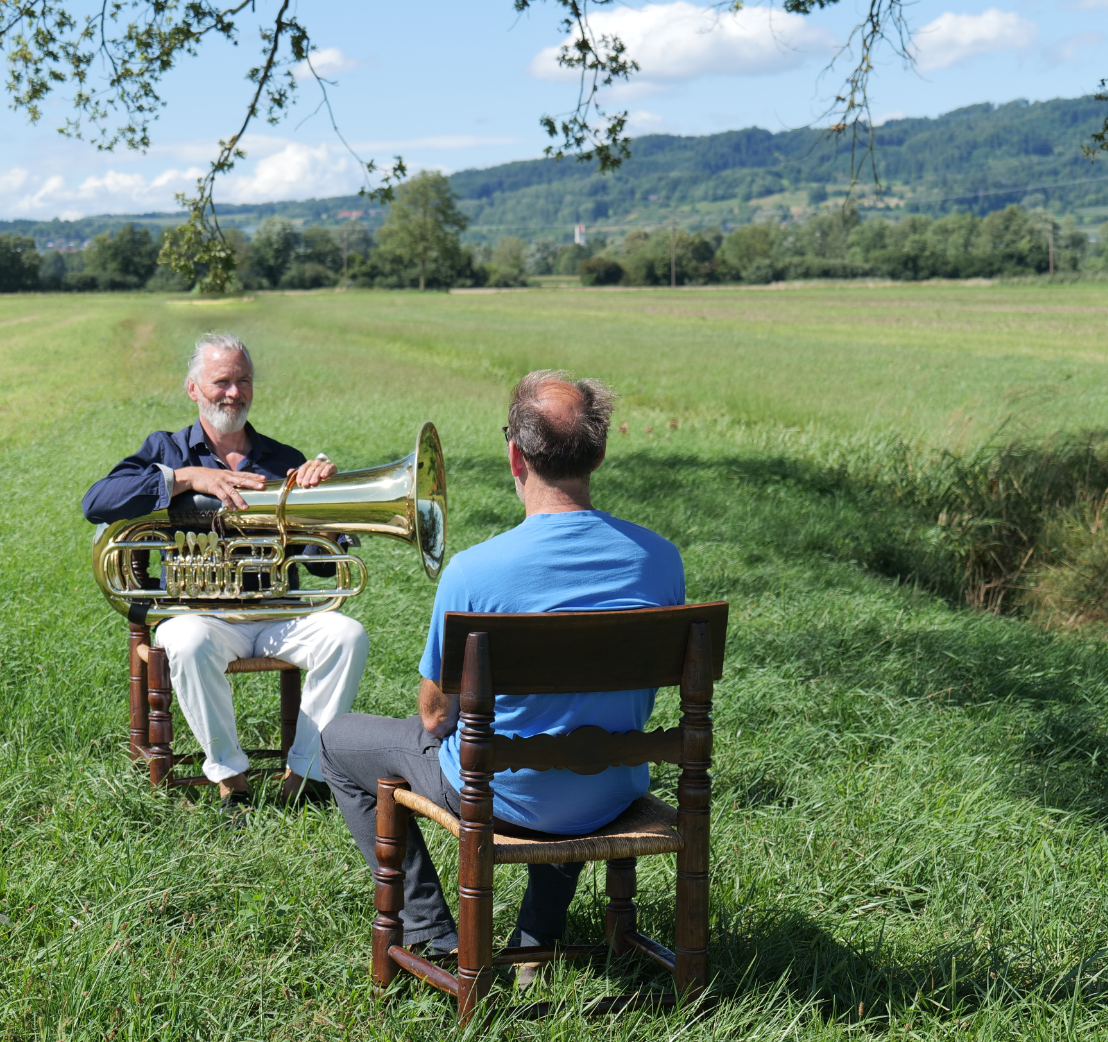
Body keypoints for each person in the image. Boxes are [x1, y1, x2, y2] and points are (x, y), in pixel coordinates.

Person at [321, 369, 686, 975]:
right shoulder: (660, 560)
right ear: (599, 453)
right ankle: (532, 942)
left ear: (515, 456)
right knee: (569, 733)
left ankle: (436, 936)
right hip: (614, 789)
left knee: (336, 745)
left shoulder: (474, 573)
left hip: (503, 797)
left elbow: (435, 715)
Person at [82, 333, 366, 809]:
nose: (234, 392)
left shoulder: (284, 461)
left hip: (278, 614)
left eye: (243, 381)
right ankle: (231, 779)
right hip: (204, 618)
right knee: (187, 641)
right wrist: (186, 478)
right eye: (221, 381)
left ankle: (305, 775)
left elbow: (318, 565)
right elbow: (97, 502)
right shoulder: (167, 450)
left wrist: (326, 516)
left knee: (348, 635)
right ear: (193, 389)